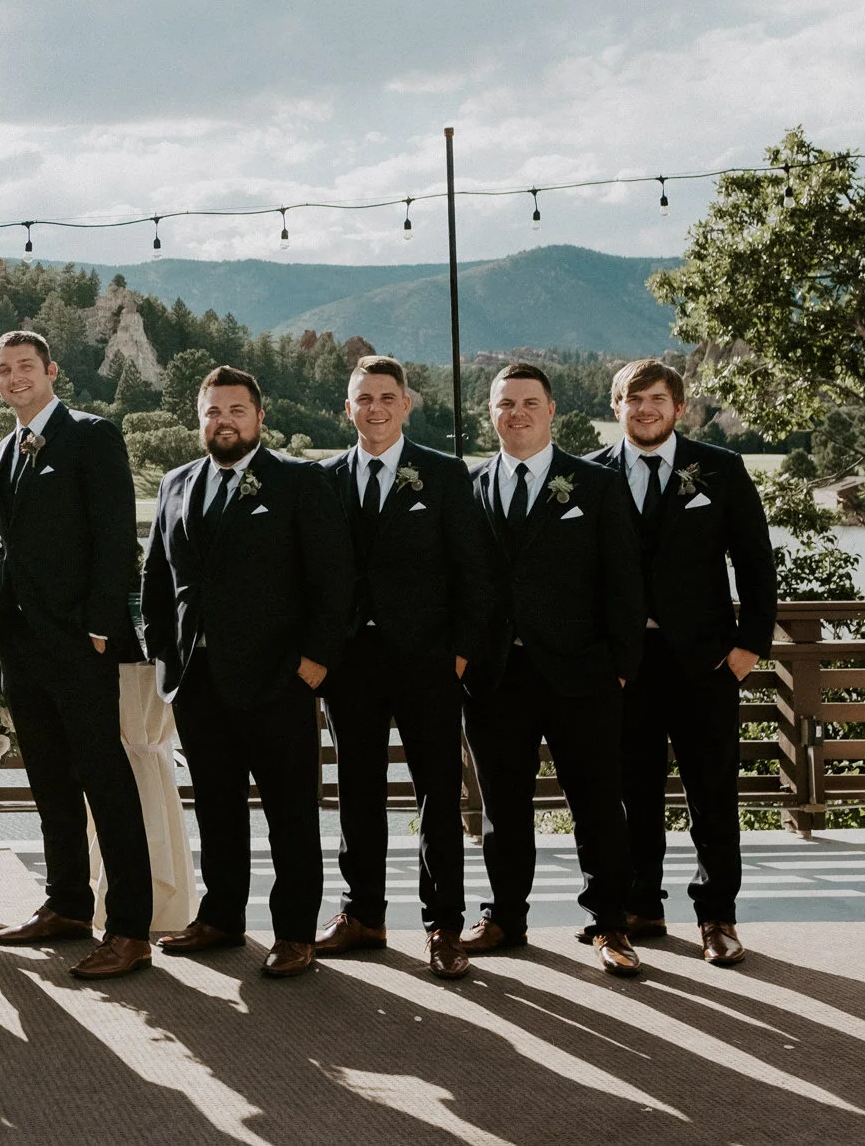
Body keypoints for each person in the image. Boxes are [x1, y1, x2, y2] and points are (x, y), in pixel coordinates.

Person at [143, 367, 351, 978]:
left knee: (291, 810)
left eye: (236, 410)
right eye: (213, 411)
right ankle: (221, 918)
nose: (224, 421)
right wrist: (164, 653)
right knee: (215, 805)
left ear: (260, 417)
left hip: (278, 678)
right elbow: (157, 578)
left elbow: (333, 580)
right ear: (199, 419)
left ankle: (294, 933)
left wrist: (313, 664)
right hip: (196, 678)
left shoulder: (299, 481)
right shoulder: (176, 482)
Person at [313, 356, 498, 979]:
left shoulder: (444, 474)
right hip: (350, 664)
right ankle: (362, 913)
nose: (376, 408)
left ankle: (443, 925)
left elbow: (475, 572)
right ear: (348, 408)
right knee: (356, 791)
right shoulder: (323, 479)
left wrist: (459, 653)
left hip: (428, 662)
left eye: (387, 397)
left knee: (439, 794)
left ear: (406, 404)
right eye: (363, 399)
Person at [461, 362, 647, 977]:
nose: (516, 413)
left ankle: (609, 922)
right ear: (491, 412)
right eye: (505, 404)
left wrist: (620, 666)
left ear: (551, 409)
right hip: (495, 675)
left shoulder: (595, 485)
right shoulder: (470, 485)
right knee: (502, 807)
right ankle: (504, 916)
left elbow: (624, 581)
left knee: (597, 803)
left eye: (529, 403)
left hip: (582, 673)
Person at [590, 358, 774, 967]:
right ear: (616, 406)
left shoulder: (720, 469)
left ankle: (717, 916)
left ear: (679, 408)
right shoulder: (590, 475)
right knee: (632, 792)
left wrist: (749, 647)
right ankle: (642, 904)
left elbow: (756, 562)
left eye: (657, 399)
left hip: (706, 663)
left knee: (712, 795)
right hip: (625, 664)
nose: (645, 409)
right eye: (633, 399)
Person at [0, 331, 154, 981]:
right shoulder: (5, 449)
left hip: (83, 645)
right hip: (24, 647)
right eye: (4, 369)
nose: (15, 377)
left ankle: (130, 929)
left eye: (25, 365)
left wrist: (103, 628)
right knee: (49, 780)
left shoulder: (92, 435)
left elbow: (115, 536)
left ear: (51, 370)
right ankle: (67, 905)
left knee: (105, 782)